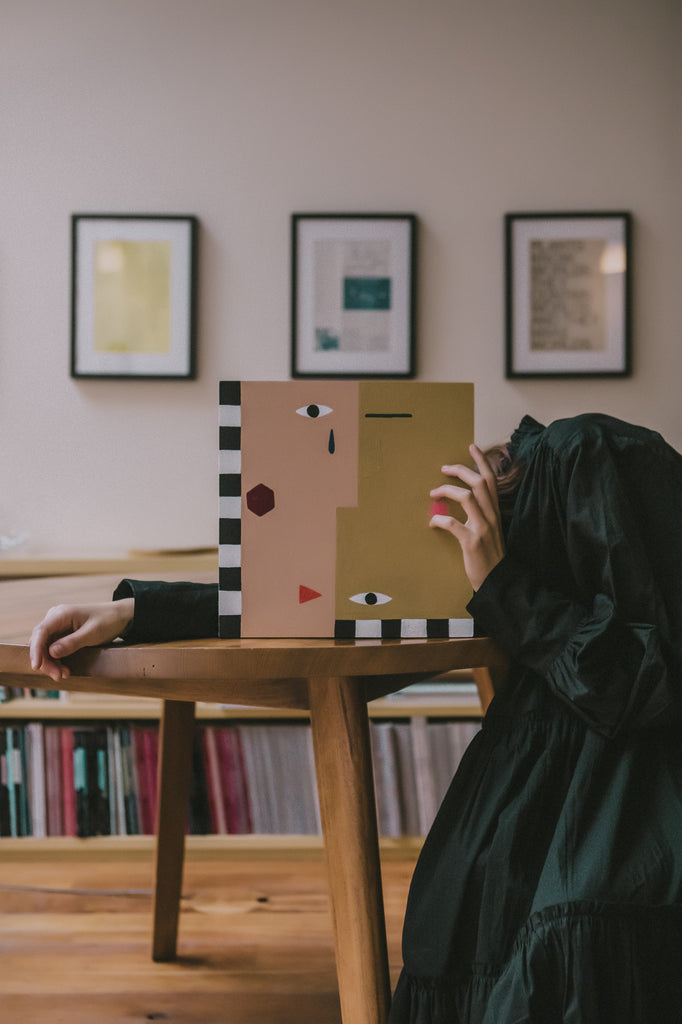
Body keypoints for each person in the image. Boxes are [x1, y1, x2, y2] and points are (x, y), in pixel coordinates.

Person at [30, 412, 682, 1023]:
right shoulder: (500, 514)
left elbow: (647, 675)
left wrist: (502, 581)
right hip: (546, 754)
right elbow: (320, 592)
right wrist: (133, 612)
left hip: (618, 773)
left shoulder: (588, 455)